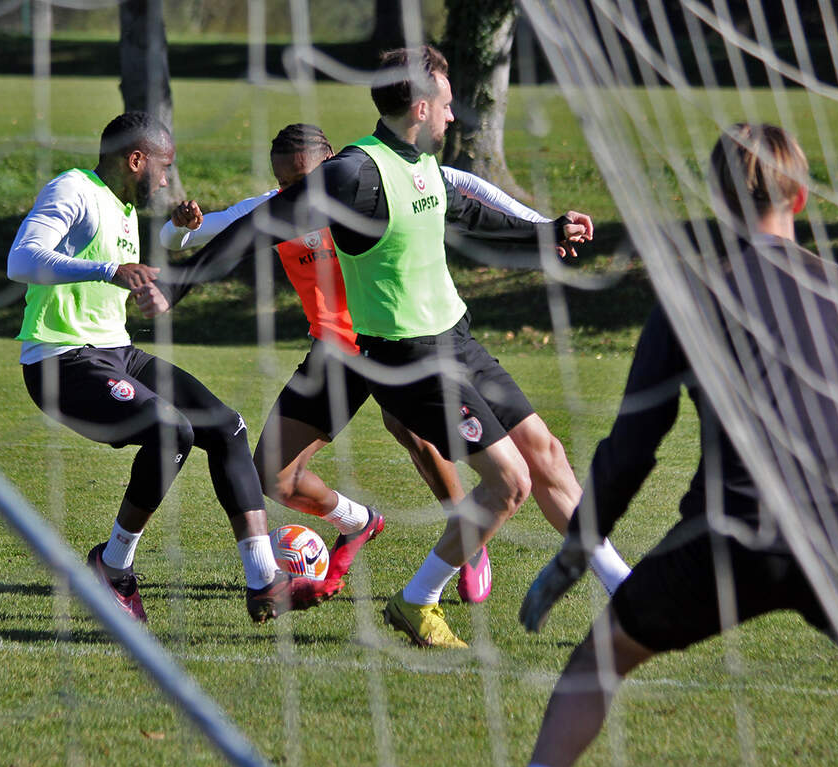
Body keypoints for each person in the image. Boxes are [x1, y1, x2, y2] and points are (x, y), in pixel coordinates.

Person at [514, 123, 838, 767]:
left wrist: (575, 554)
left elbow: (631, 447)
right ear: (798, 197)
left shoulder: (690, 300)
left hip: (727, 533)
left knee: (601, 659)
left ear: (718, 199)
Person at [157, 46, 632, 648]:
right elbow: (257, 225)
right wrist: (180, 281)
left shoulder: (420, 165)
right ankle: (418, 598)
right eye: (449, 106)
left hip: (456, 340)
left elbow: (467, 212)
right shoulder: (352, 173)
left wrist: (544, 232)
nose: (454, 118)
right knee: (509, 484)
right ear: (422, 105)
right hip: (408, 358)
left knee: (547, 456)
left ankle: (625, 588)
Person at [159, 122, 558, 603]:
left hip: (391, 341)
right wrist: (179, 226)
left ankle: (468, 543)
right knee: (273, 476)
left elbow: (465, 185)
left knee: (415, 436)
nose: (293, 192)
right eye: (284, 183)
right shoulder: (278, 207)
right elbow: (193, 236)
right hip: (333, 354)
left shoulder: (367, 188)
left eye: (300, 180)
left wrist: (539, 226)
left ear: (329, 168)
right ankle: (358, 523)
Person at [8, 111, 329, 626]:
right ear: (135, 159)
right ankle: (113, 567)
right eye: (162, 168)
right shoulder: (72, 189)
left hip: (115, 352)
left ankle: (264, 580)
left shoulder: (122, 207)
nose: (164, 180)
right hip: (59, 360)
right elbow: (21, 260)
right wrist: (111, 271)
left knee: (226, 428)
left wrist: (173, 236)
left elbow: (124, 263)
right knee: (170, 429)